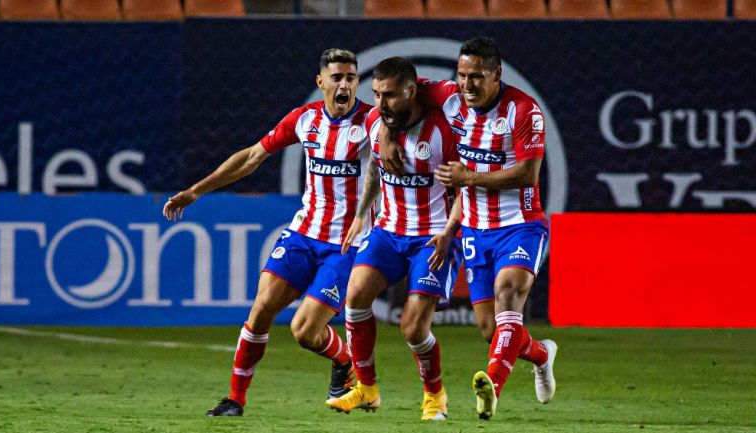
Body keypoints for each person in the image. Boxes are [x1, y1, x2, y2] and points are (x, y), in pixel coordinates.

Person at [163, 48, 374, 417]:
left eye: (351, 77)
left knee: (305, 332)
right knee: (260, 308)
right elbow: (251, 157)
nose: (345, 84)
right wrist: (197, 189)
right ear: (320, 81)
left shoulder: (373, 122)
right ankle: (235, 399)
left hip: (346, 245)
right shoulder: (305, 119)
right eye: (337, 77)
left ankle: (343, 362)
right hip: (302, 235)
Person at [377, 37, 558, 420]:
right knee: (491, 331)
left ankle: (492, 385)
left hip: (520, 225)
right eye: (461, 76)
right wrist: (386, 133)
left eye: (476, 77)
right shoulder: (449, 97)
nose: (467, 85)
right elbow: (394, 93)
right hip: (474, 229)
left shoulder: (524, 112)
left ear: (497, 75)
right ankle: (541, 354)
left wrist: (469, 176)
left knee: (509, 296)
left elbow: (528, 175)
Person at [324, 57, 461, 421]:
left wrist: (450, 232)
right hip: (388, 230)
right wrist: (360, 214)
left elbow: (466, 187)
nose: (380, 104)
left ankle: (435, 397)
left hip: (432, 237)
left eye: (389, 96)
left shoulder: (444, 131)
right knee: (355, 296)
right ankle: (366, 389)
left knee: (414, 328)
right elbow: (373, 167)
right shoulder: (375, 122)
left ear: (412, 92)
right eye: (376, 95)